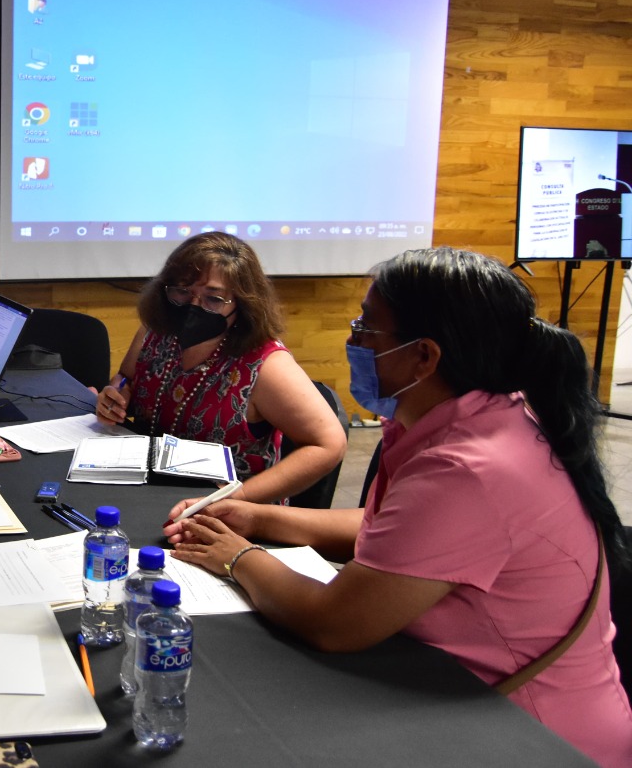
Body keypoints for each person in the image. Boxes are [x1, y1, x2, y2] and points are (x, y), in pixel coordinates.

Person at [167, 247, 632, 766]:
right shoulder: (476, 415)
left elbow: (334, 623)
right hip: (462, 698)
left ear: (424, 356)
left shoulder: (468, 468)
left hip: (530, 736)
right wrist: (259, 516)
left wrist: (237, 556)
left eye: (366, 328)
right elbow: (394, 531)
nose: (353, 341)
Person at [95, 232, 346, 503]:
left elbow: (328, 444)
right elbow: (126, 378)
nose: (193, 306)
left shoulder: (265, 365)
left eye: (213, 299)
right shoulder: (156, 331)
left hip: (228, 510)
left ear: (243, 304)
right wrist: (116, 395)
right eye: (182, 291)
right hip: (149, 492)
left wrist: (238, 497)